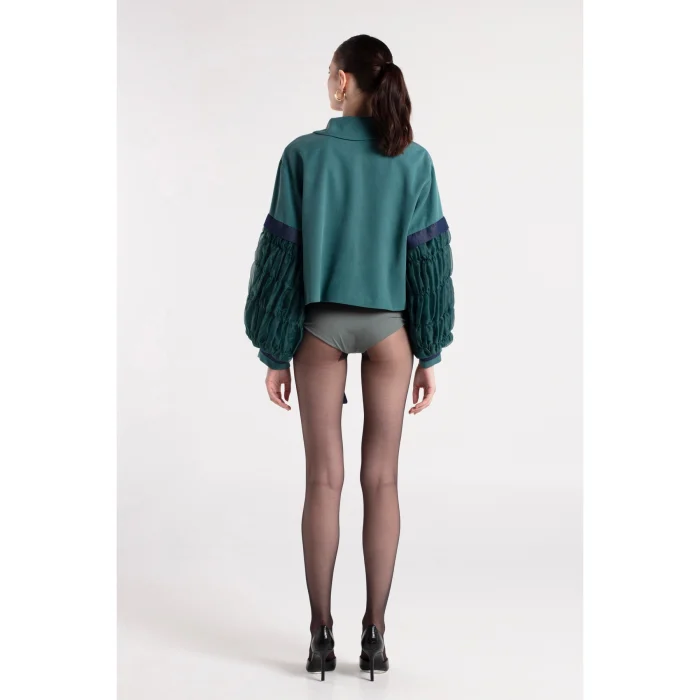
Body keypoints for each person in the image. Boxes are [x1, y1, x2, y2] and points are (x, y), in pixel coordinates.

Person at [244, 34, 455, 681]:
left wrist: (274, 350)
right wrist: (429, 353)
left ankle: (319, 635)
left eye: (328, 75)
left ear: (341, 81)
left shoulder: (302, 155)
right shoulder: (413, 160)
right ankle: (375, 635)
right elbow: (428, 263)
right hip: (390, 331)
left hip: (319, 330)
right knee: (382, 480)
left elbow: (280, 259)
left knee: (323, 481)